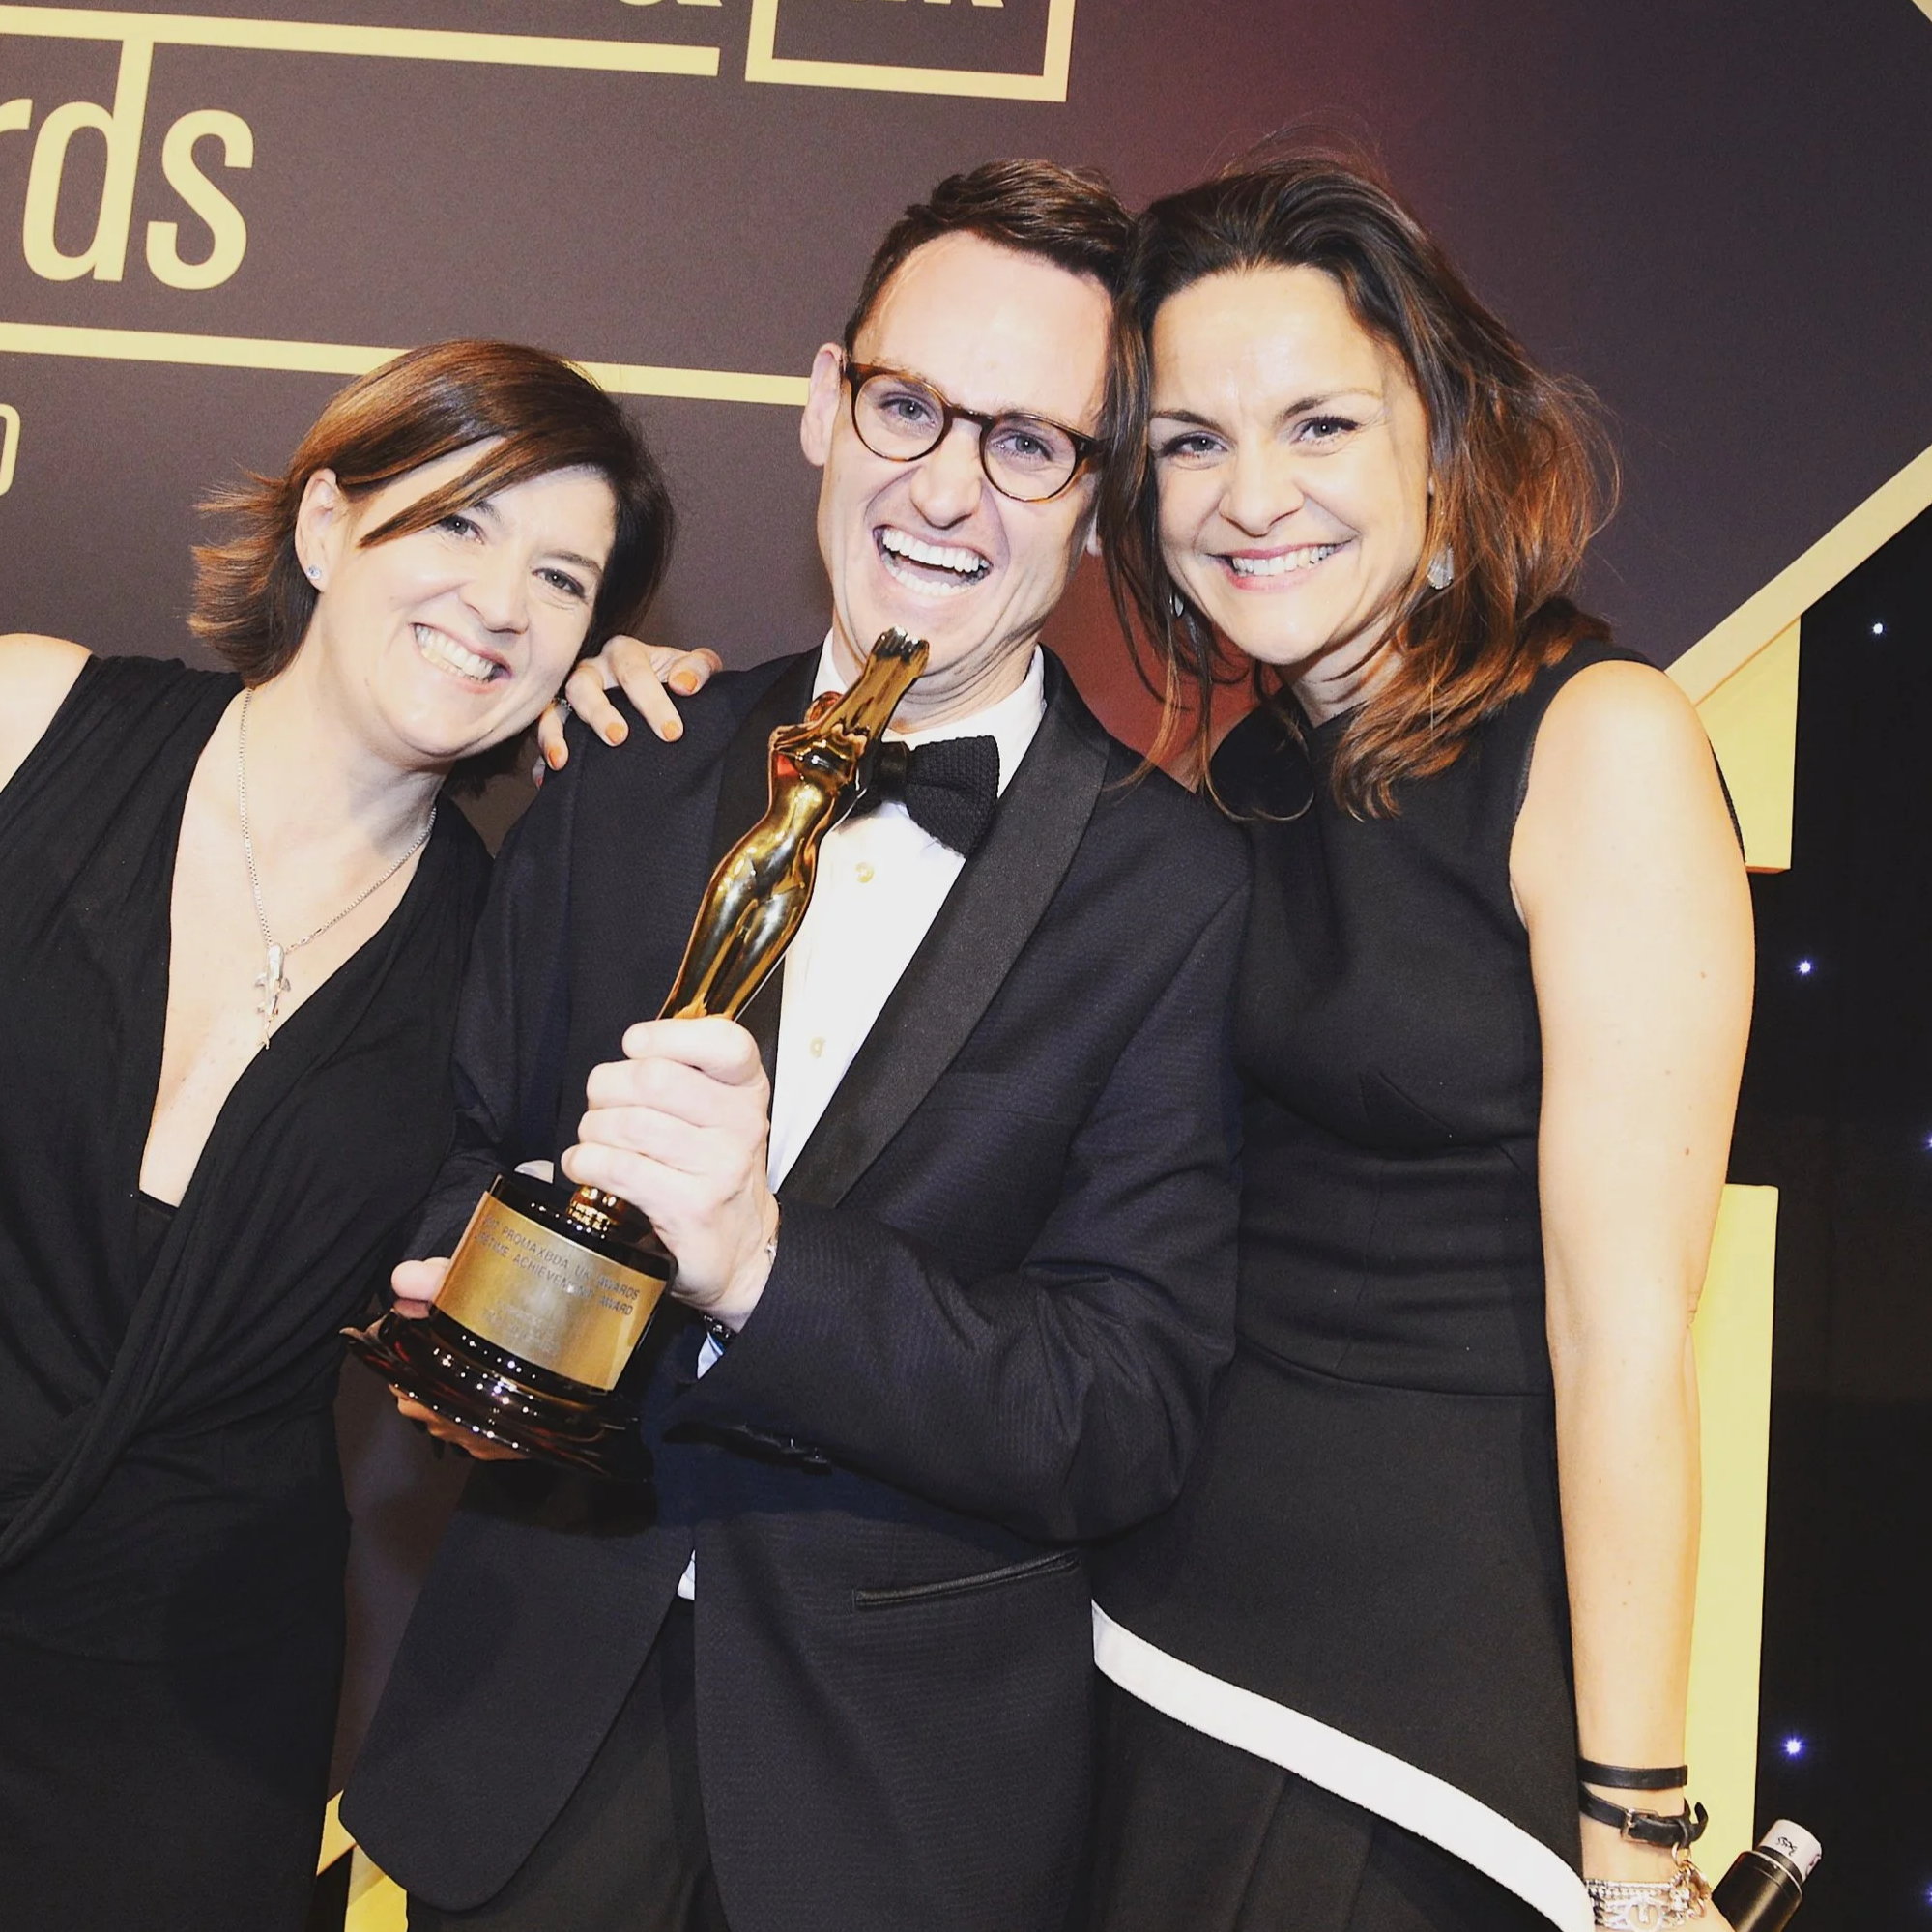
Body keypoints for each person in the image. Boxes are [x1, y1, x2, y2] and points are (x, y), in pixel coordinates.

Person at [339, 160, 1250, 1932]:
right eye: (910, 406)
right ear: (826, 403)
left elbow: (1123, 1406)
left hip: (894, 1813)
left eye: (1027, 441)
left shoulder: (1177, 889)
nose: (945, 487)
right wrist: (480, 1264)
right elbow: (469, 1141)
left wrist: (761, 1265)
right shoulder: (622, 754)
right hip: (520, 1744)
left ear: (1093, 499)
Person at [1081, 149, 1754, 1932]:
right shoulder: (1226, 789)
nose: (1249, 496)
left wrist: (1636, 1833)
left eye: (1317, 424)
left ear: (1440, 448)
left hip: (1421, 1725)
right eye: (1190, 442)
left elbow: (1622, 1335)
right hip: (1150, 1649)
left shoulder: (1596, 741)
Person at [0, 338, 677, 1932]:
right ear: (322, 529)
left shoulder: (514, 959)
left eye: (563, 578)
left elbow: (504, 1325)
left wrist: (678, 755)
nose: (502, 599)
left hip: (176, 1711)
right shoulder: (27, 716)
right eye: (456, 523)